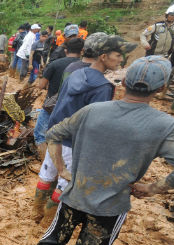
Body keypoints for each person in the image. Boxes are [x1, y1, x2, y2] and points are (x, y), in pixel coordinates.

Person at [24, 56, 174, 245]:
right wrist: (150, 189)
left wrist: (63, 169)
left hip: (75, 192)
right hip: (110, 205)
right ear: (161, 88)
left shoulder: (92, 111)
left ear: (123, 81)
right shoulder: (166, 126)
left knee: (53, 239)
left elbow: (53, 133)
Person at [34, 34, 136, 225]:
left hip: (55, 134)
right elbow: (95, 123)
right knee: (65, 183)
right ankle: (47, 222)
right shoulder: (103, 87)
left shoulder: (74, 74)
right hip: (74, 142)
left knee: (47, 175)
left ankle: (36, 213)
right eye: (118, 55)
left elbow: (58, 104)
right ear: (103, 56)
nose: (121, 60)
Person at [30, 38, 83, 172]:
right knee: (66, 139)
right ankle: (66, 167)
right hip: (75, 110)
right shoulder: (86, 66)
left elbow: (41, 85)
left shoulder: (55, 64)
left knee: (41, 135)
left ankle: (47, 167)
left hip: (53, 107)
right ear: (82, 51)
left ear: (65, 50)